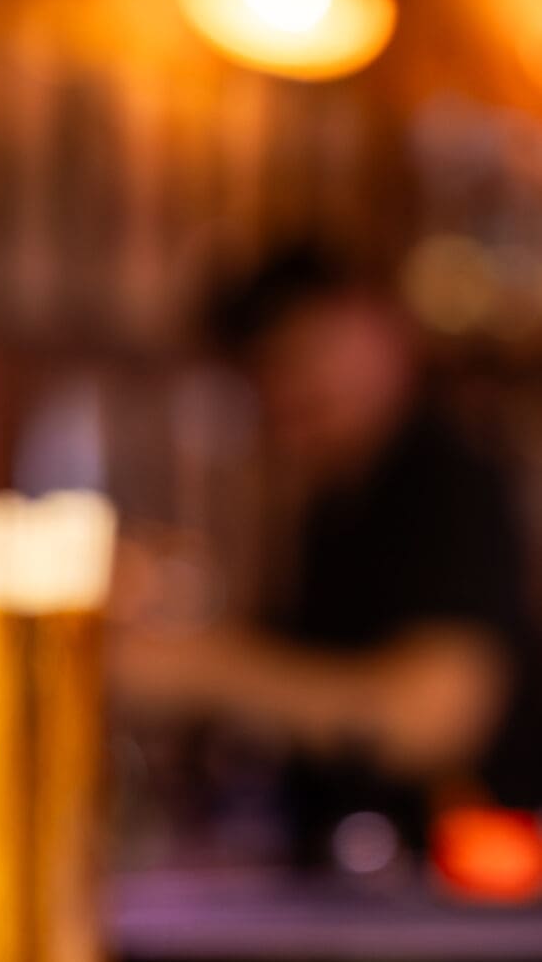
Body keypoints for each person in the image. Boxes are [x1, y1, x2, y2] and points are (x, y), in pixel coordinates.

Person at [113, 246, 542, 861]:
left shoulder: (446, 473)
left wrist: (201, 668)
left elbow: (435, 719)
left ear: (383, 325)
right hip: (382, 884)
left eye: (309, 355)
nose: (292, 391)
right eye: (266, 373)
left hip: (466, 899)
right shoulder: (338, 499)